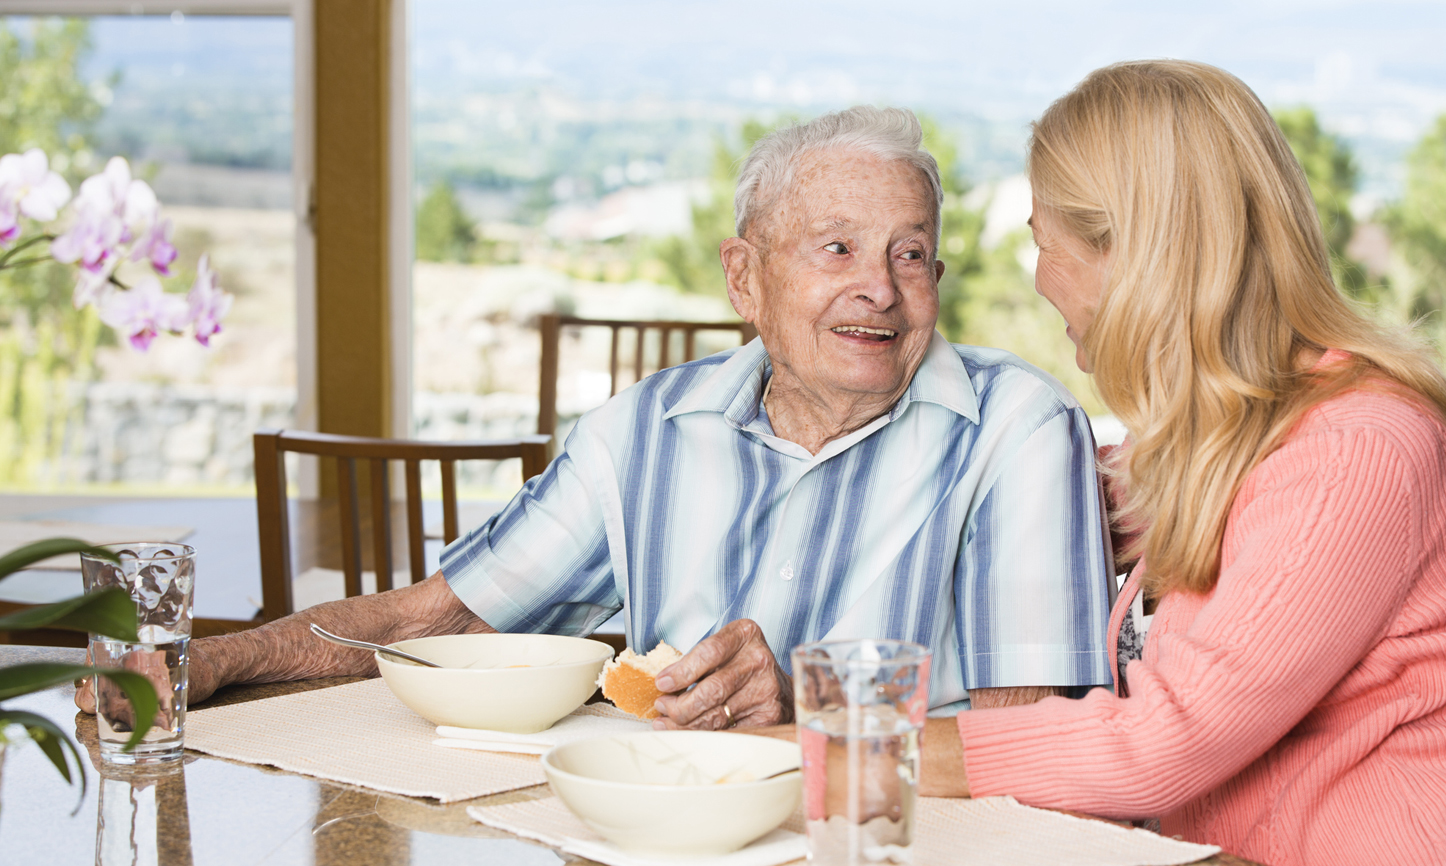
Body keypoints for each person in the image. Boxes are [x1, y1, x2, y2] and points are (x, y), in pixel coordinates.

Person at [80, 106, 1117, 729]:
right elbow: (443, 619)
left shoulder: (1017, 428)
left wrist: (810, 710)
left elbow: (1037, 747)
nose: (880, 290)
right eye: (836, 248)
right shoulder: (644, 430)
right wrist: (210, 661)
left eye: (909, 253)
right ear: (745, 278)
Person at [898, 61, 1446, 865]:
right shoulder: (1216, 441)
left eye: (1043, 241)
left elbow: (1166, 740)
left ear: (1132, 253)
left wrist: (860, 749)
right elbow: (1044, 497)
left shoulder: (1355, 451)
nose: (1037, 279)